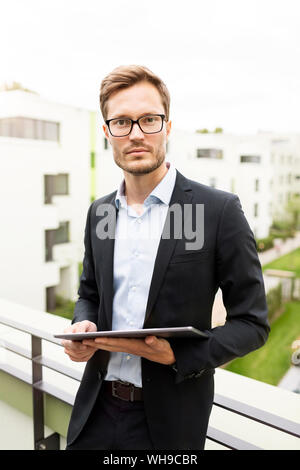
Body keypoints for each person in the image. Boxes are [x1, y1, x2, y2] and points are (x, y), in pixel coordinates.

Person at [62, 65, 270, 450]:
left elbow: (253, 324)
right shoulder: (100, 212)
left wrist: (178, 354)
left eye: (149, 120)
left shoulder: (217, 211)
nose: (136, 133)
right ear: (107, 132)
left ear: (168, 127)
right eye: (122, 122)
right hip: (94, 412)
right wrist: (83, 326)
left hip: (169, 424)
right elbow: (89, 293)